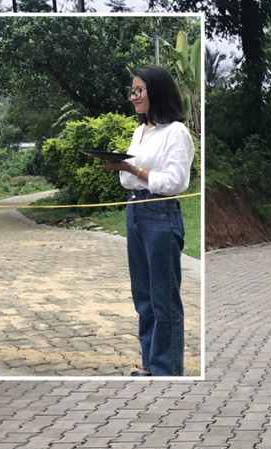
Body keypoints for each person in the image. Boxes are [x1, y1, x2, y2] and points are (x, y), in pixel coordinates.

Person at [96, 65, 195, 377]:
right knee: (143, 296)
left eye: (139, 91)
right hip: (135, 209)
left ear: (157, 90)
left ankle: (167, 369)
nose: (134, 97)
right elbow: (130, 181)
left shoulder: (176, 133)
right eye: (132, 91)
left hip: (160, 213)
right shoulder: (140, 131)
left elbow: (176, 181)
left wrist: (134, 171)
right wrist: (122, 169)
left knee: (164, 296)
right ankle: (150, 364)